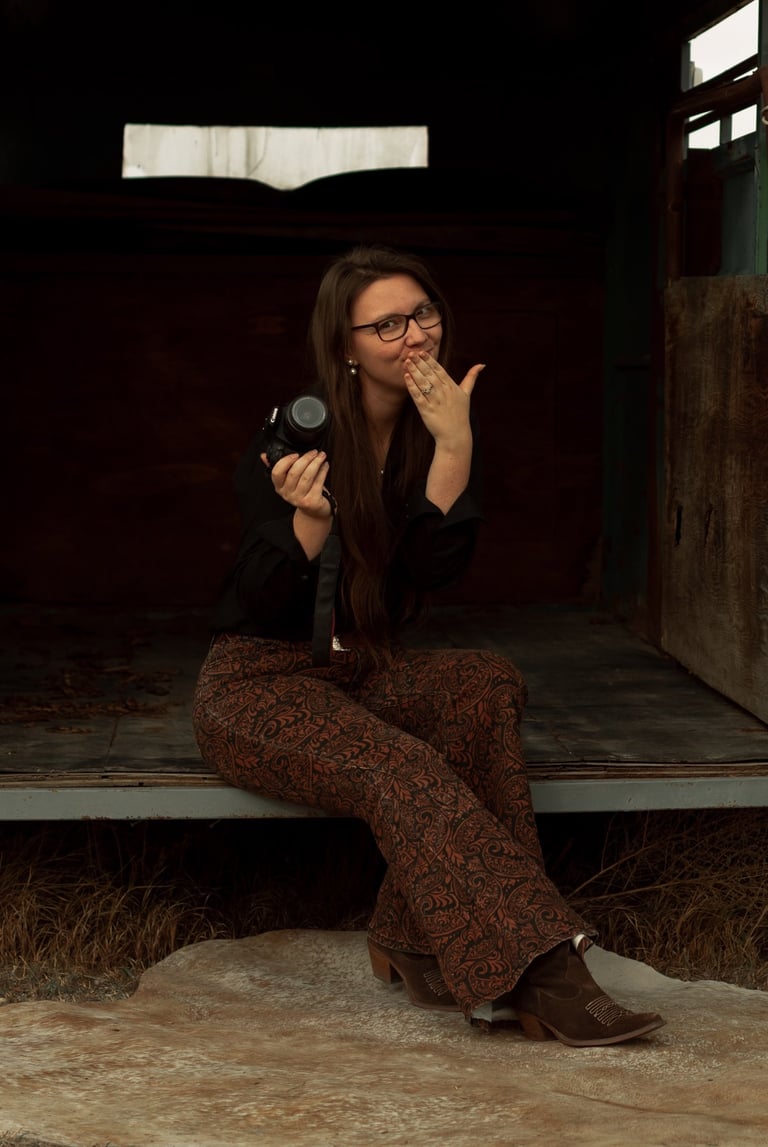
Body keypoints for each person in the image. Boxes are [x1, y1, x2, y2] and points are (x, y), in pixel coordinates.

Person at [192, 243, 665, 1048]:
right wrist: (309, 526)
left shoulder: (429, 431)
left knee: (484, 684)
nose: (415, 336)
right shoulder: (295, 438)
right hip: (256, 684)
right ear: (345, 346)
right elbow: (247, 603)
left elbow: (426, 572)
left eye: (425, 314)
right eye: (388, 324)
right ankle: (546, 969)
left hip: (357, 672)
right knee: (403, 764)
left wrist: (454, 445)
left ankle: (414, 938)